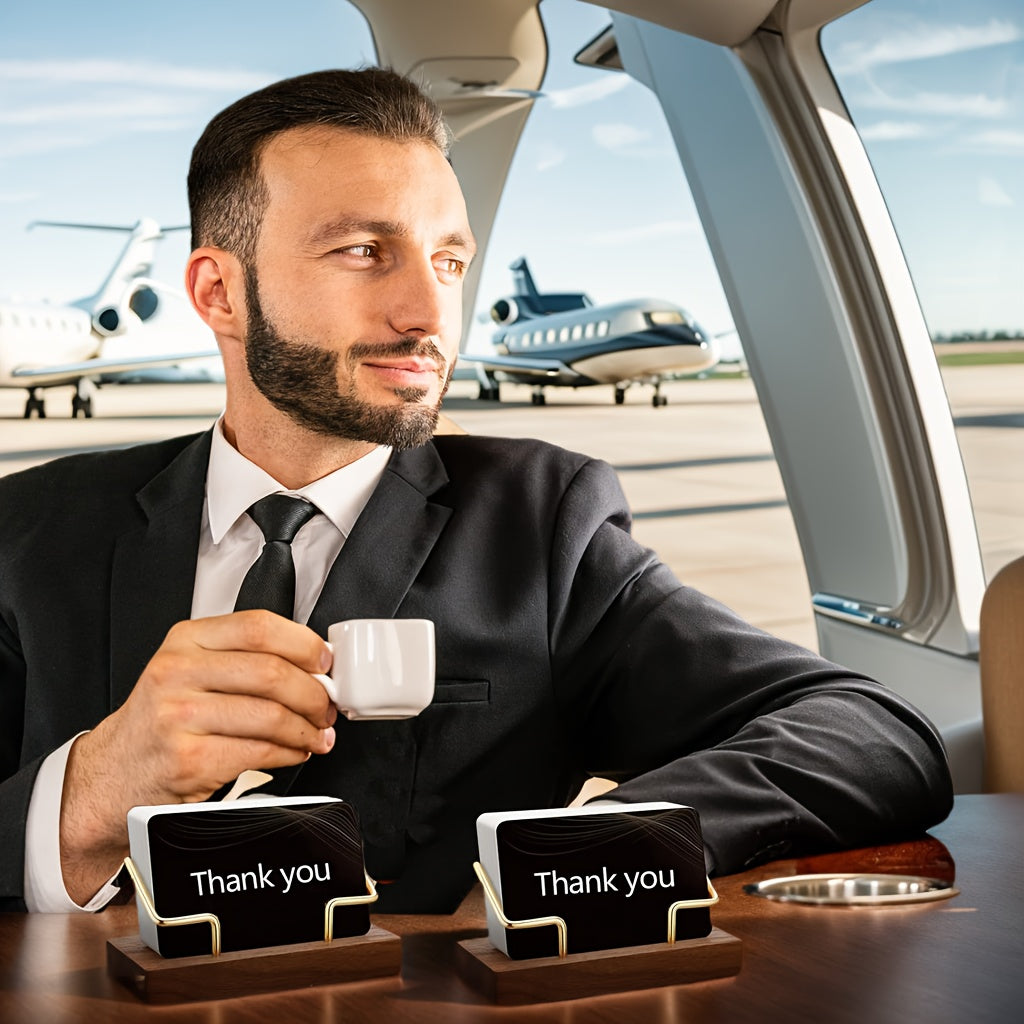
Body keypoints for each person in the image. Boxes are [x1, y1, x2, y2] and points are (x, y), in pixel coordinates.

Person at [0, 68, 952, 915]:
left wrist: (563, 866)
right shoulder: (30, 529)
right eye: (364, 251)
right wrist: (90, 791)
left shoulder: (542, 524)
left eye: (447, 260)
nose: (426, 314)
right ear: (218, 292)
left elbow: (872, 735)